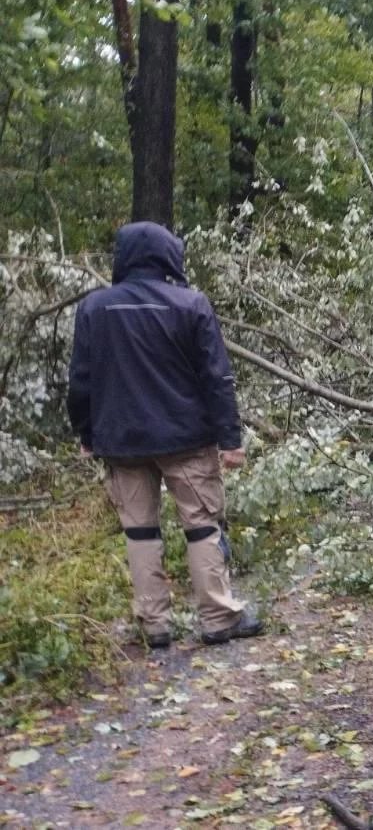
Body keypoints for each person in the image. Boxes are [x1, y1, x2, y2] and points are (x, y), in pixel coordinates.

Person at [68, 222, 262, 649]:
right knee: (201, 526)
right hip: (187, 438)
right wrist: (230, 438)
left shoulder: (94, 308)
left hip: (121, 441)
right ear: (167, 256)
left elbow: (82, 380)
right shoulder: (191, 303)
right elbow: (217, 378)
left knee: (139, 531)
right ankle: (217, 617)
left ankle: (154, 624)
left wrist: (86, 432)